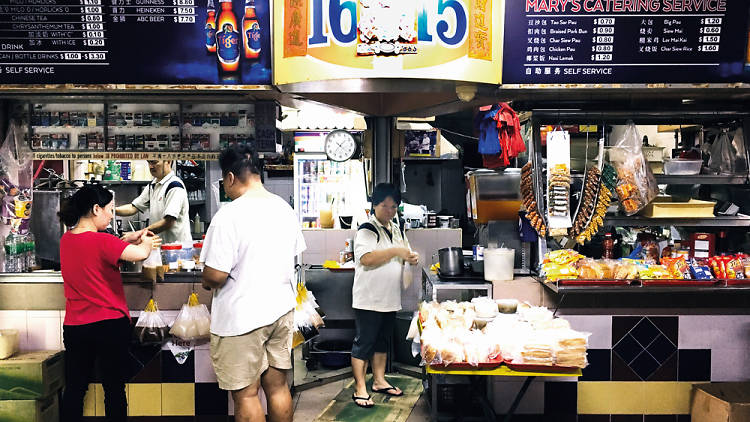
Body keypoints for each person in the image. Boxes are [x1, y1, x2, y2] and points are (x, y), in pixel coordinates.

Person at [201, 145, 305, 422]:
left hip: (241, 317)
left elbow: (215, 275)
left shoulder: (229, 215)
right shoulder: (285, 209)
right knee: (279, 387)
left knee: (246, 394)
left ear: (231, 178)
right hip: (281, 311)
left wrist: (205, 279)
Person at [58, 184, 160, 422]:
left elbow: (103, 250)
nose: (111, 215)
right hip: (109, 325)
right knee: (113, 389)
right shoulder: (103, 242)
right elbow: (140, 255)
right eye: (110, 210)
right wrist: (145, 240)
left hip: (76, 327)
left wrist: (129, 238)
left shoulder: (66, 240)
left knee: (75, 388)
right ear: (96, 209)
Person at [350, 183, 419, 408]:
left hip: (390, 299)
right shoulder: (367, 229)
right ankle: (360, 387)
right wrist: (396, 252)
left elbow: (403, 252)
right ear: (374, 206)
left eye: (393, 207)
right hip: (369, 299)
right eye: (384, 206)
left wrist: (410, 257)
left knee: (382, 342)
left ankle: (379, 381)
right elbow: (366, 258)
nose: (389, 211)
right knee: (364, 344)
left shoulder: (395, 227)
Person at [115, 160, 192, 244]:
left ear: (168, 161)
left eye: (154, 162)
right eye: (149, 162)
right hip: (160, 246)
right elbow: (133, 208)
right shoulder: (153, 185)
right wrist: (111, 210)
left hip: (176, 248)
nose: (151, 166)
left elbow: (168, 222)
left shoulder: (175, 186)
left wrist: (138, 233)